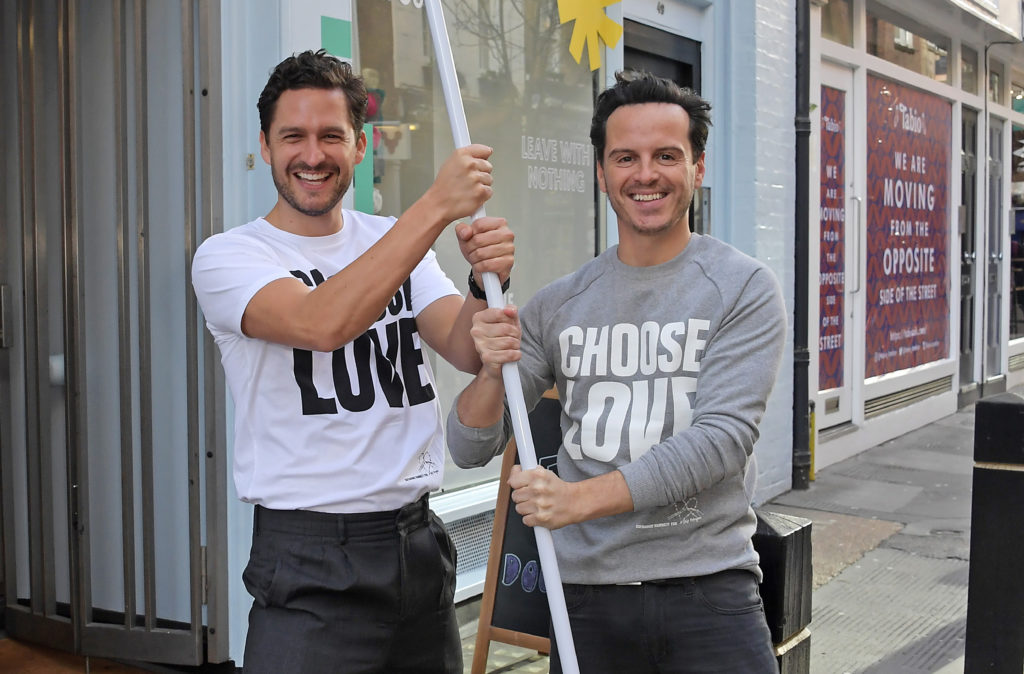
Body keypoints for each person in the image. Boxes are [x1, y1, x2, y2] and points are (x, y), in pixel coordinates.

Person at [446, 70, 786, 673]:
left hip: (709, 589)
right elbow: (470, 445)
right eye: (625, 157)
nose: (645, 174)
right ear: (602, 173)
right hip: (586, 601)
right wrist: (492, 368)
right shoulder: (557, 304)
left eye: (666, 155)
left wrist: (576, 501)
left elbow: (721, 442)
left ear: (697, 168)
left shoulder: (742, 288)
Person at [191, 49, 513, 674]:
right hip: (310, 559)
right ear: (264, 145)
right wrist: (434, 207)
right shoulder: (229, 257)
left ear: (360, 147)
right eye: (294, 136)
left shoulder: (391, 239)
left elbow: (465, 346)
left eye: (331, 136)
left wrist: (484, 283)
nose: (312, 155)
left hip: (417, 545)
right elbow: (320, 324)